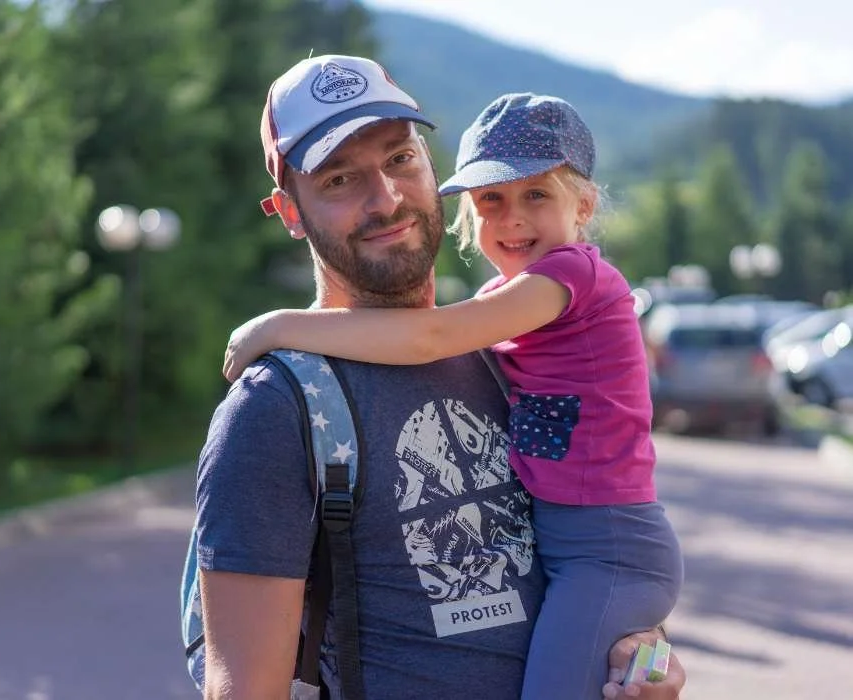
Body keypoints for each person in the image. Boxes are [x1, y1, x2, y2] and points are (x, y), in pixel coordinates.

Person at [198, 53, 686, 700]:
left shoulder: (501, 355)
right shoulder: (277, 407)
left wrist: (641, 660)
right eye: (340, 178)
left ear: (433, 170)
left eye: (401, 159)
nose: (386, 198)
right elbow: (243, 688)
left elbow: (592, 569)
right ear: (291, 213)